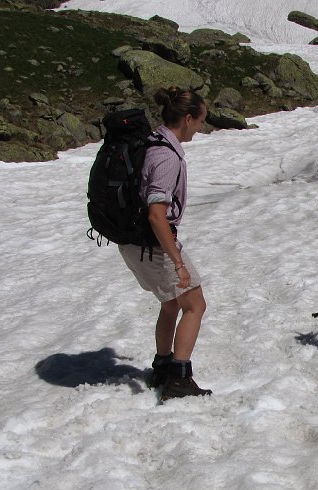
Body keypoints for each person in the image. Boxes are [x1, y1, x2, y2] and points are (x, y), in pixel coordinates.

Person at [119, 87, 211, 398]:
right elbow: (157, 216)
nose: (201, 127)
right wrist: (178, 262)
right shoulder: (166, 156)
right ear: (187, 119)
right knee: (195, 305)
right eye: (200, 121)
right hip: (153, 243)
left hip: (135, 242)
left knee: (171, 302)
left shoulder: (152, 141)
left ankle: (162, 366)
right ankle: (179, 379)